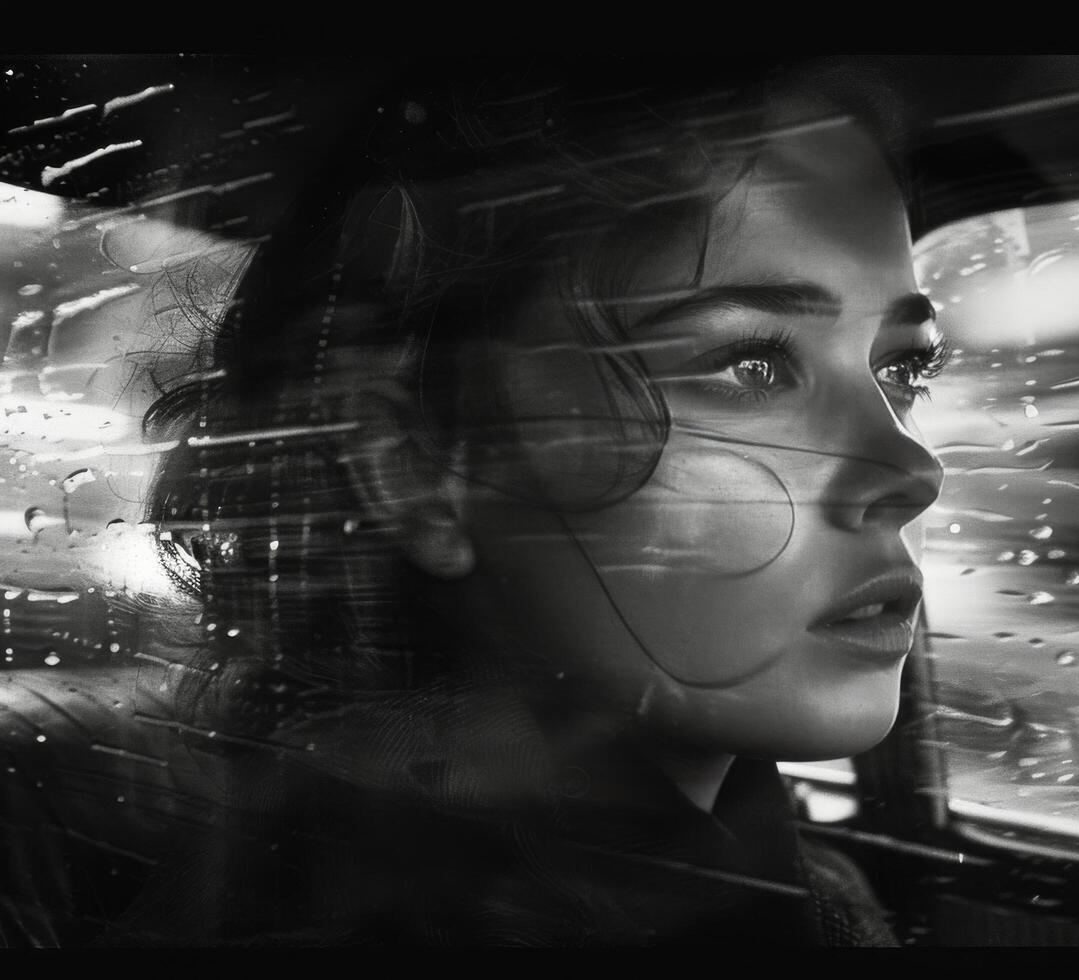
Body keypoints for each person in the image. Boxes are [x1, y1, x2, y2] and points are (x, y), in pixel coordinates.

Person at [25, 56, 947, 946]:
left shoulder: (802, 888)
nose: (910, 471)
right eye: (751, 364)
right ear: (416, 460)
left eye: (900, 369)